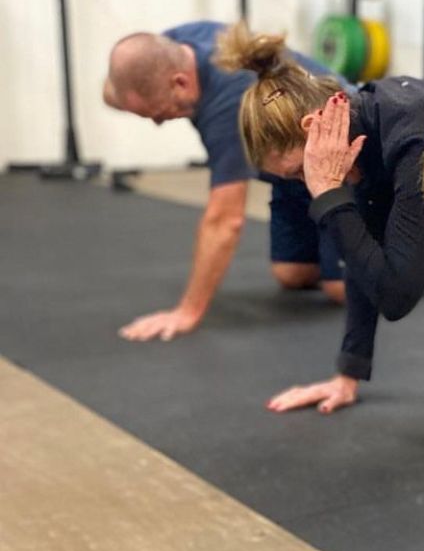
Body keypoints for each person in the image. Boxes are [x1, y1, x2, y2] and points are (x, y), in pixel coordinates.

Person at [215, 24, 424, 414]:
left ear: (312, 128)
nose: (305, 186)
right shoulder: (360, 140)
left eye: (296, 173)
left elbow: (395, 297)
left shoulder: (410, 137)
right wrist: (347, 374)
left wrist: (328, 192)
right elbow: (363, 257)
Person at [104, 22, 345, 342]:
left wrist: (188, 311)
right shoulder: (174, 47)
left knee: (341, 289)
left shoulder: (228, 103)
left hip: (340, 159)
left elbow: (224, 221)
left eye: (161, 113)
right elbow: (114, 87)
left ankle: (423, 249)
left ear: (179, 82)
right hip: (292, 168)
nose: (160, 123)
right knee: (293, 275)